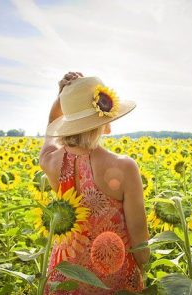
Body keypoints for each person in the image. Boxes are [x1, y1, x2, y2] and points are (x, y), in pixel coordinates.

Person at [39, 72, 150, 294]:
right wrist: (145, 274)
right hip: (114, 279)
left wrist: (60, 99)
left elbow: (49, 140)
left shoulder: (51, 161)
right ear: (105, 121)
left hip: (64, 276)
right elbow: (139, 237)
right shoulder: (125, 167)